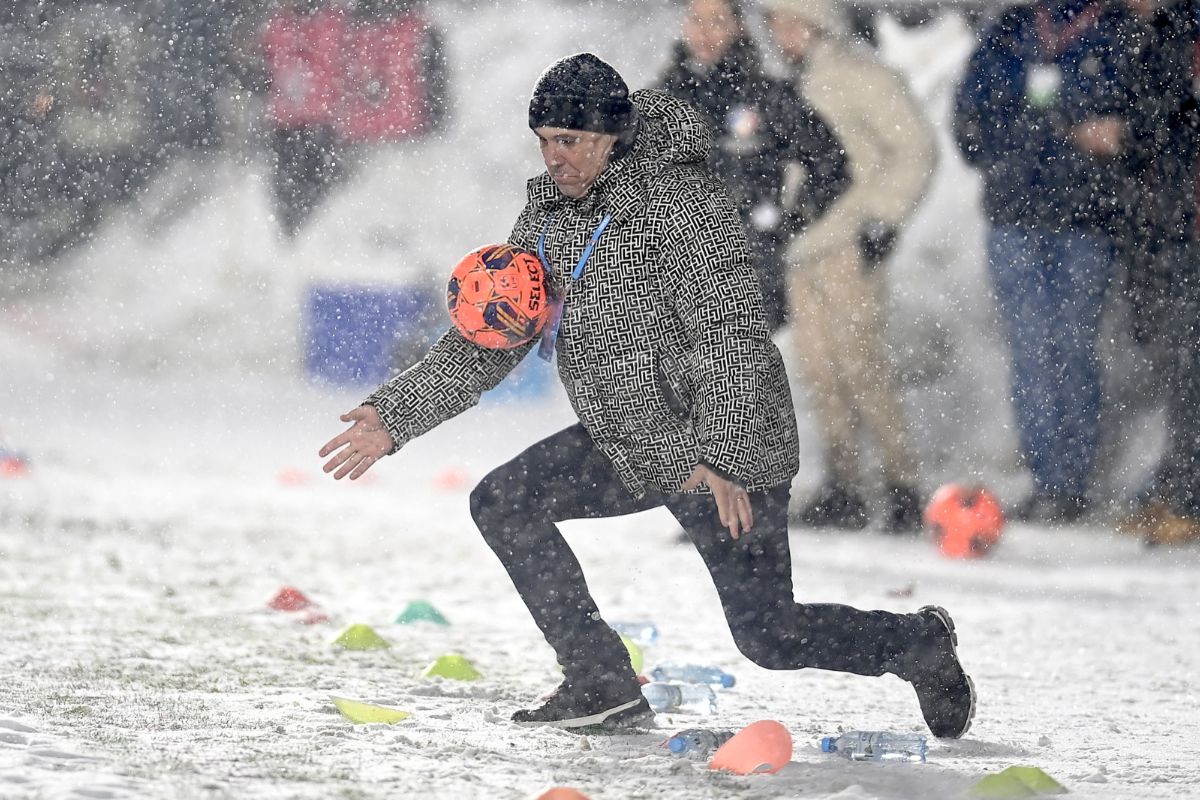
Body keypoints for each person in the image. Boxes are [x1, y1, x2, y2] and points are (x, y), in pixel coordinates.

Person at [319, 53, 975, 738]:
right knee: (503, 501)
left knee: (771, 637)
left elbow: (733, 336)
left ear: (610, 134)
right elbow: (498, 332)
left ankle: (916, 643)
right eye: (544, 141)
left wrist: (725, 454)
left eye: (568, 141)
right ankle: (599, 677)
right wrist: (392, 417)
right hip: (629, 441)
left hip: (721, 446)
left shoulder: (684, 205)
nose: (554, 158)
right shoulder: (547, 215)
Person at [761, 0, 936, 533]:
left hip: (846, 242)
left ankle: (901, 484)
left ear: (818, 23)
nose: (779, 31)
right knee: (819, 371)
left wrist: (882, 215)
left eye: (789, 20)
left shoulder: (861, 75)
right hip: (801, 245)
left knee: (862, 365)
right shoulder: (787, 79)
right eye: (774, 21)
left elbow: (915, 148)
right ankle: (846, 484)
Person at [954, 0, 1126, 524]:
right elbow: (968, 118)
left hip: (1086, 217)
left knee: (1074, 344)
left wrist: (1076, 140)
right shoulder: (1008, 31)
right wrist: (1018, 150)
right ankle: (1046, 478)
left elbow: (1131, 118)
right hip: (1015, 214)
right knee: (1030, 346)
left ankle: (1073, 479)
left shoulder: (1113, 29)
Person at [656, 0, 849, 333]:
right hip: (673, 289)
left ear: (738, 27)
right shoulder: (656, 104)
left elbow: (831, 163)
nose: (704, 32)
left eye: (717, 21)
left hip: (750, 285)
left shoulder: (766, 96)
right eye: (696, 20)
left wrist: (792, 219)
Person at [1108, 0, 1200, 544]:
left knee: (1191, 374)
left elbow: (1164, 129)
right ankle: (1179, 487)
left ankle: (1186, 497)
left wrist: (1139, 134)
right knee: (1183, 371)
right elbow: (1155, 133)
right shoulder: (1161, 37)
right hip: (1172, 232)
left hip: (1181, 228)